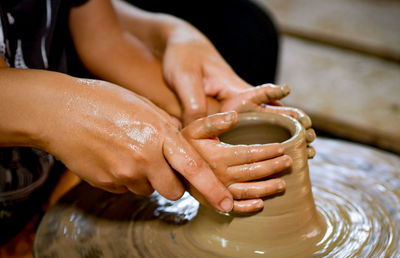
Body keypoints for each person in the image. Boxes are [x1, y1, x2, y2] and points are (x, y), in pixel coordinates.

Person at [0, 0, 314, 216]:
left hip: (38, 177)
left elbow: (105, 41)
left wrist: (211, 113)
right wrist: (64, 110)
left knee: (248, 29)